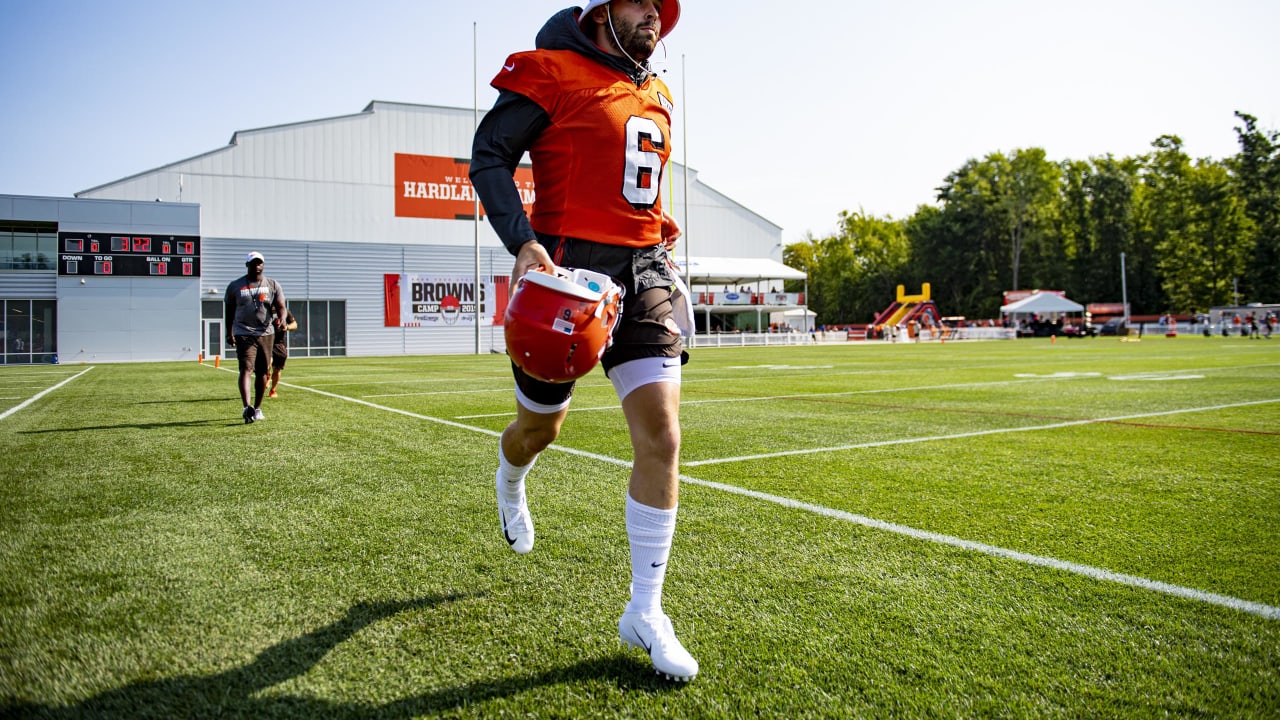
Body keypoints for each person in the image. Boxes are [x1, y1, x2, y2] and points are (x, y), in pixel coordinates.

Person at [470, 0, 696, 681]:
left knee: (663, 436)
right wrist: (524, 242)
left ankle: (645, 612)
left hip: (644, 270)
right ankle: (511, 479)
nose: (653, 15)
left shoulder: (656, 90)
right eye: (639, 2)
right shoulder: (552, 70)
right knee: (541, 429)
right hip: (570, 271)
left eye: (662, 5)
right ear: (602, 11)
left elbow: (638, 191)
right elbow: (490, 156)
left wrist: (663, 247)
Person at [224, 252, 287, 424]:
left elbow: (281, 307)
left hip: (266, 333)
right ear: (247, 265)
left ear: (263, 265)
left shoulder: (272, 284)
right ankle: (247, 406)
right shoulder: (235, 286)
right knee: (245, 368)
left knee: (262, 372)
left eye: (260, 262)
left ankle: (257, 408)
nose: (257, 265)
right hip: (243, 332)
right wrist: (229, 332)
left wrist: (281, 319)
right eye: (253, 263)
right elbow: (229, 312)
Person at [268, 309, 298, 398]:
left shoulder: (284, 311)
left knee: (277, 369)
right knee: (268, 363)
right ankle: (267, 375)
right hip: (266, 340)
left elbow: (295, 325)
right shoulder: (264, 310)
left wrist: (287, 327)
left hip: (279, 343)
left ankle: (273, 390)